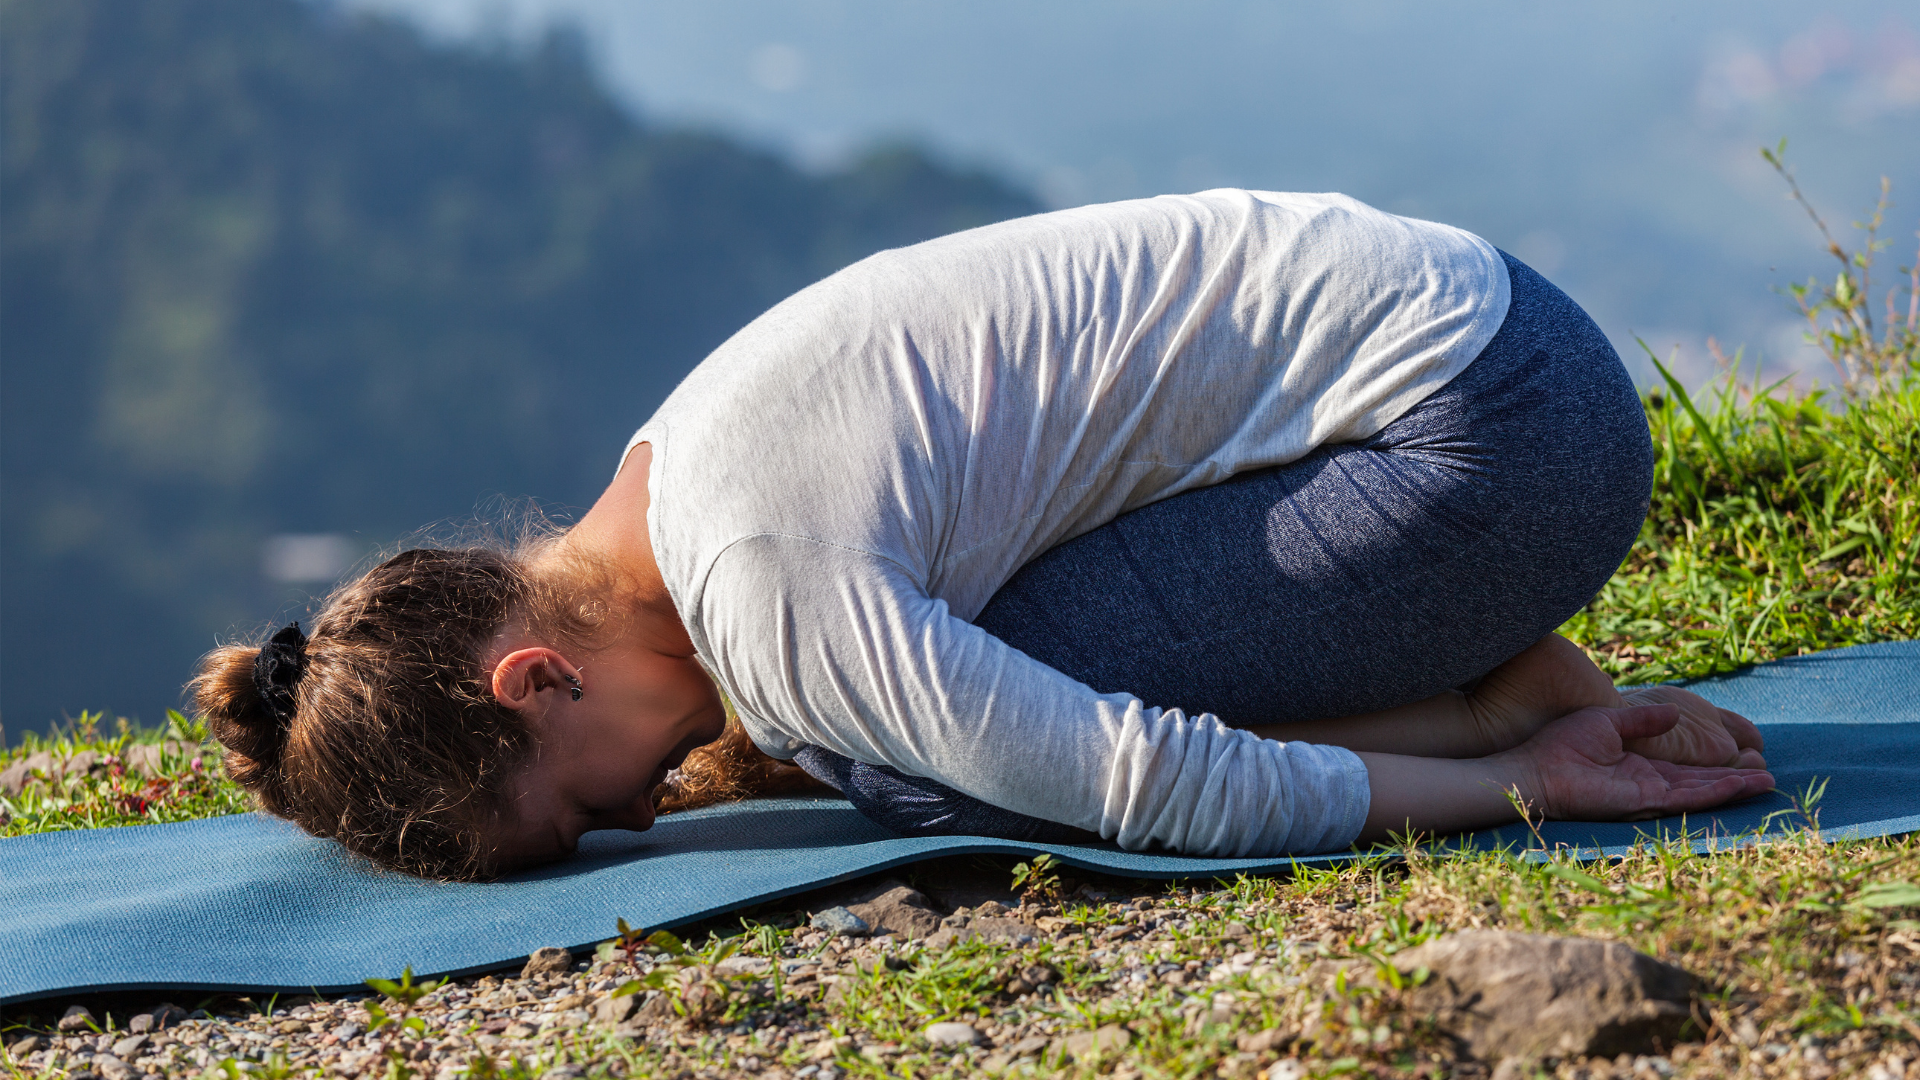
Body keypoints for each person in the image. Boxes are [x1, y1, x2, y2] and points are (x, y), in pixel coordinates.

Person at [193, 190, 1773, 881]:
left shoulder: (762, 586)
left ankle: (1499, 697)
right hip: (1494, 349)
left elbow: (1156, 785)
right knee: (882, 726)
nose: (630, 824)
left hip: (1486, 442)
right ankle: (1477, 661)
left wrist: (1517, 788)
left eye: (574, 818)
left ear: (535, 680)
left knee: (916, 757)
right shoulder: (675, 471)